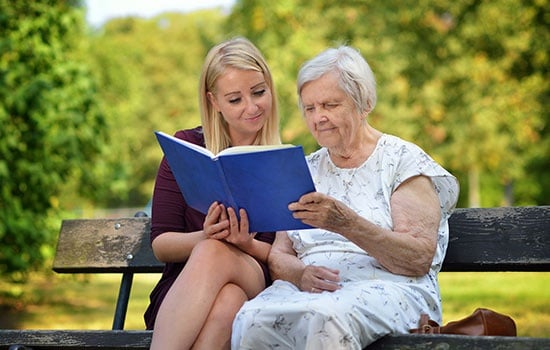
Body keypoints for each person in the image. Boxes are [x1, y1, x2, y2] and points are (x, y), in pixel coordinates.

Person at [231, 45, 459, 349]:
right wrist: (300, 274)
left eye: (329, 104)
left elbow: (417, 258)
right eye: (310, 108)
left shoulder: (402, 161)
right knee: (252, 318)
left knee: (325, 317)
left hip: (391, 289)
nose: (318, 117)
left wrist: (346, 223)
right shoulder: (303, 170)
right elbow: (280, 254)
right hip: (310, 292)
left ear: (363, 103)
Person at [144, 37, 281, 350]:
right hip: (186, 293)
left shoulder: (282, 160)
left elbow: (282, 255)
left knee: (213, 252)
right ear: (214, 102)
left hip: (258, 283)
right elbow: (162, 244)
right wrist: (205, 235)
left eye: (259, 92)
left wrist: (243, 242)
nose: (252, 106)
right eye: (235, 99)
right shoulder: (186, 149)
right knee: (227, 300)